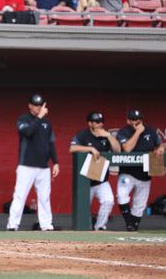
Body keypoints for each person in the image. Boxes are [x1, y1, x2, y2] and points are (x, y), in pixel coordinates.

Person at [7, 94, 60, 231]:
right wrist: (39, 117)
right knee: (20, 195)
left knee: (44, 197)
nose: (38, 107)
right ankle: (13, 225)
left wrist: (55, 162)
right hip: (26, 165)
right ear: (30, 105)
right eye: (35, 105)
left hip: (43, 166)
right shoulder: (23, 119)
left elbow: (51, 143)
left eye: (40, 105)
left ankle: (46, 225)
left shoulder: (47, 123)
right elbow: (28, 132)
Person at [69, 112, 121, 230]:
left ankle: (100, 226)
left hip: (101, 179)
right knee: (83, 207)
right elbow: (72, 148)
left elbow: (117, 150)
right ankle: (84, 229)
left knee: (108, 201)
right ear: (90, 123)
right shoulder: (83, 135)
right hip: (85, 180)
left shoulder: (106, 135)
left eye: (101, 122)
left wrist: (108, 135)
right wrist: (90, 148)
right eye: (97, 122)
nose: (100, 124)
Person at [116, 110, 164, 231]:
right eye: (133, 119)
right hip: (128, 172)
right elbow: (127, 149)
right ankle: (129, 223)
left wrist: (161, 148)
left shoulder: (150, 130)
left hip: (144, 174)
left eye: (139, 119)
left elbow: (160, 144)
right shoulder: (123, 132)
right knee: (122, 196)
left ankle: (134, 227)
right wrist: (138, 132)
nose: (137, 121)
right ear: (128, 120)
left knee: (140, 204)